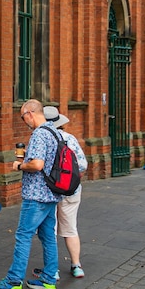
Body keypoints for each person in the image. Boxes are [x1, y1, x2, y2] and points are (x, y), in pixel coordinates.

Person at [0, 100, 63, 289]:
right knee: (48, 237)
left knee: (23, 236)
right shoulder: (54, 132)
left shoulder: (39, 134)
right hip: (51, 193)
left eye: (23, 117)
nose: (24, 122)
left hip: (36, 195)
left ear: (30, 113)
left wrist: (20, 166)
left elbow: (38, 165)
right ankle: (48, 280)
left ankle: (14, 281)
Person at [43, 107, 88, 279]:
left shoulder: (43, 137)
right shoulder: (70, 138)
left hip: (49, 190)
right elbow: (82, 165)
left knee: (50, 229)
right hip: (71, 190)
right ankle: (76, 265)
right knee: (70, 228)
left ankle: (52, 270)